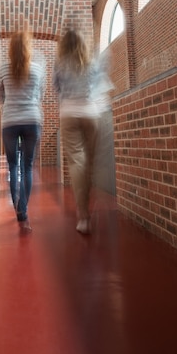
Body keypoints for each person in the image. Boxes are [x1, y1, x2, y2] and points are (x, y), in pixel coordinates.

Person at [53, 28, 112, 235]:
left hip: (68, 113)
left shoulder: (59, 64)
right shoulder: (91, 62)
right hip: (90, 113)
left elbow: (57, 89)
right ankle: (87, 199)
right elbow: (101, 86)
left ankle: (83, 215)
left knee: (78, 162)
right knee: (90, 164)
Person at [0, 30, 45, 232]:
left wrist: (11, 100)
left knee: (13, 166)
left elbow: (0, 97)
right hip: (31, 119)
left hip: (9, 121)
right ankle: (23, 208)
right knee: (27, 166)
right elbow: (40, 95)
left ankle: (19, 206)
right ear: (28, 49)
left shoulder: (3, 69)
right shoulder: (36, 69)